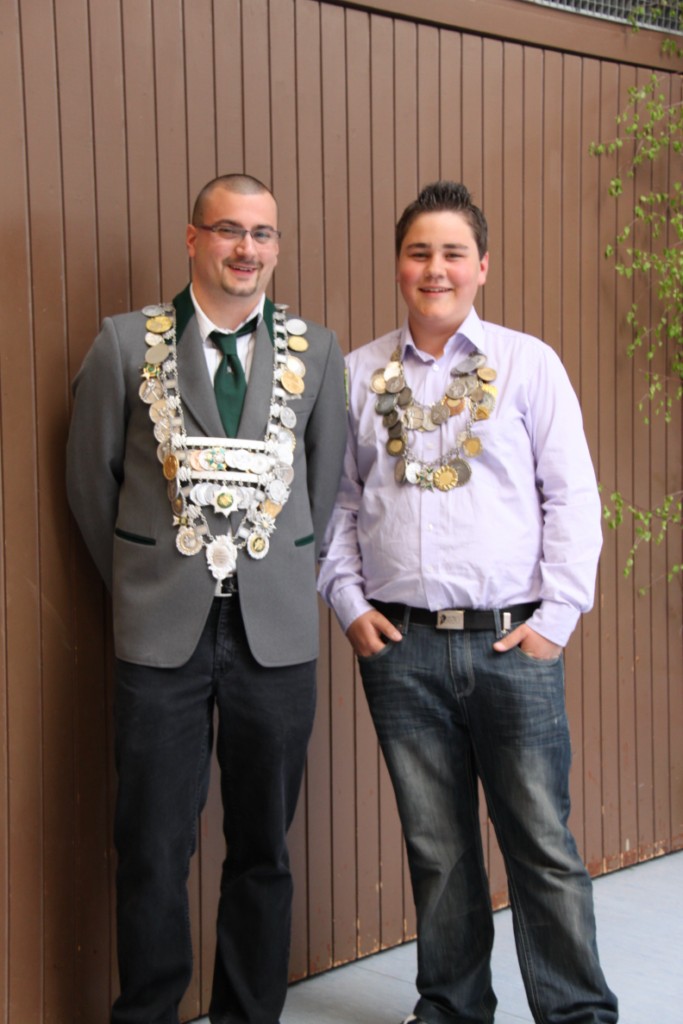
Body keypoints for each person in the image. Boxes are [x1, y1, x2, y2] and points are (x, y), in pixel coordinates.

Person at [318, 181, 618, 1024]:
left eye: (453, 253)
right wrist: (348, 605)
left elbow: (572, 497)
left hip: (510, 644)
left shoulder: (528, 364)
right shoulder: (358, 375)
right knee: (437, 851)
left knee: (542, 846)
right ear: (398, 265)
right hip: (401, 650)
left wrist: (553, 623)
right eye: (419, 252)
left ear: (481, 266)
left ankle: (577, 1014)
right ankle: (449, 1010)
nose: (435, 268)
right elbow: (336, 505)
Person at [66, 173, 346, 1024]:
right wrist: (146, 581)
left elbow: (321, 488)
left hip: (275, 636)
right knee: (152, 845)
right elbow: (90, 484)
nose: (245, 250)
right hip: (161, 637)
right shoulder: (125, 345)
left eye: (262, 234)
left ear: (276, 246)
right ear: (193, 238)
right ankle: (148, 1012)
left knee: (262, 845)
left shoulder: (316, 352)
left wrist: (273, 572)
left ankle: (246, 1015)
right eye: (229, 230)